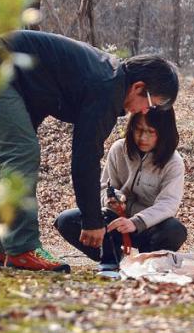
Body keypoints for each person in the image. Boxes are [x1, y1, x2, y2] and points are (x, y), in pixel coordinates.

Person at [0, 30, 178, 272]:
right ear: (138, 87)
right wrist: (93, 221)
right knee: (22, 154)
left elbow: (41, 91)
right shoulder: (108, 88)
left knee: (8, 162)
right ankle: (22, 248)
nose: (146, 112)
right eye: (151, 104)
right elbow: (85, 157)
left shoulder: (106, 77)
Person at [54, 110, 187, 272]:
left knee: (175, 230)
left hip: (149, 226)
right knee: (66, 220)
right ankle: (112, 257)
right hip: (115, 222)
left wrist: (135, 222)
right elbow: (104, 186)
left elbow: (168, 204)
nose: (142, 138)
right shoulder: (119, 149)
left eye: (151, 132)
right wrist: (110, 198)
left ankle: (147, 262)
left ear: (164, 132)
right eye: (138, 129)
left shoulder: (173, 161)